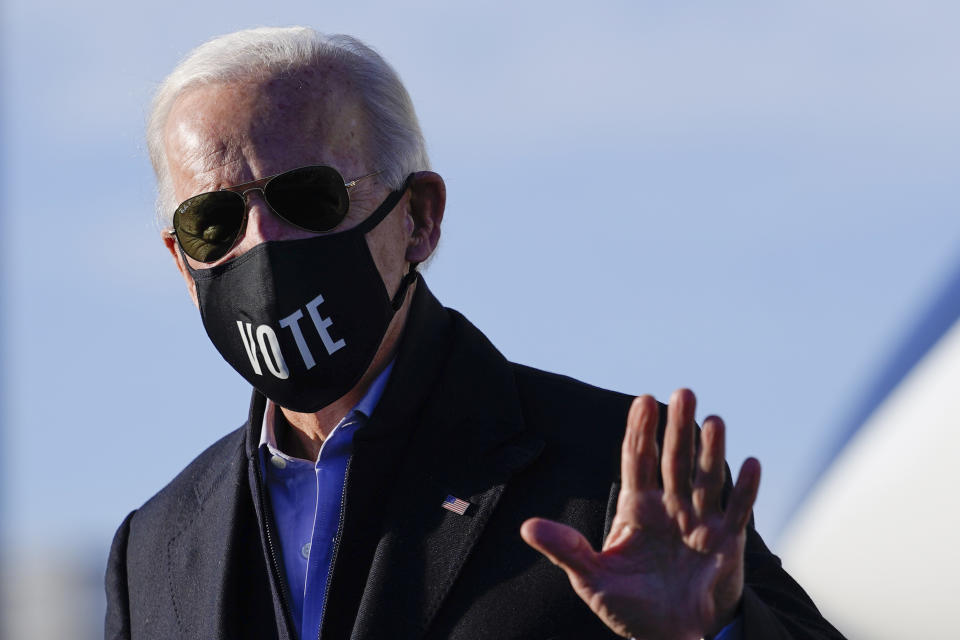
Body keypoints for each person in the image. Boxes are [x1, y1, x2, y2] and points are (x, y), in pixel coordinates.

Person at [105, 26, 843, 640]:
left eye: (308, 197)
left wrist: (716, 633)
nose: (262, 243)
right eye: (213, 221)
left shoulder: (621, 474)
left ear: (418, 218)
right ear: (180, 259)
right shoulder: (154, 549)